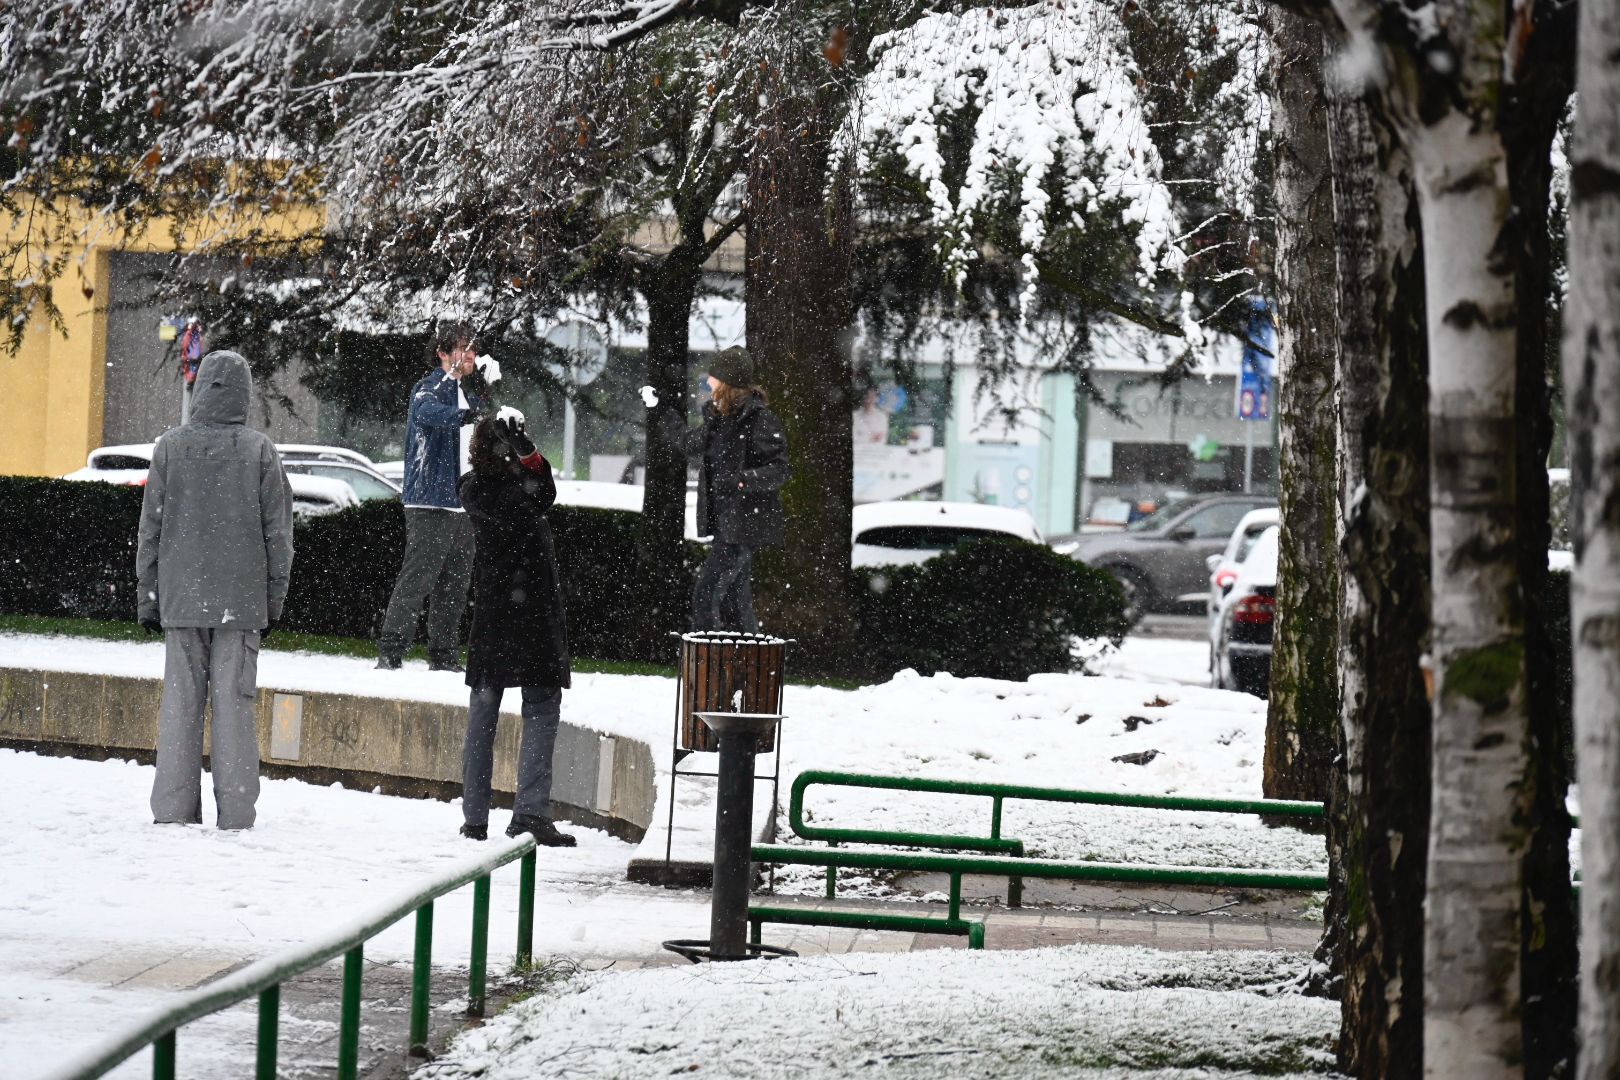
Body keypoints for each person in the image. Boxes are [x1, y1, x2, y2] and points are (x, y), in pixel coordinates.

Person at [136, 349, 294, 830]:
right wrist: (273, 599)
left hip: (181, 599)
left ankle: (173, 809)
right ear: (244, 394)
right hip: (240, 603)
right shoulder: (260, 450)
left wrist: (149, 596)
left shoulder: (168, 447)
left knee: (180, 706)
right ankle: (237, 812)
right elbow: (278, 535)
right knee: (234, 710)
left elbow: (151, 531)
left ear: (202, 388)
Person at [456, 412, 576, 846]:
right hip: (533, 618)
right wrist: (528, 452)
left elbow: (535, 490)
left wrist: (512, 453)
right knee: (542, 709)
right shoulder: (521, 494)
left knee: (483, 715)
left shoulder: (471, 489)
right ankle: (529, 812)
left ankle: (474, 816)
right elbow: (545, 492)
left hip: (492, 617)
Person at [376, 320, 493, 671]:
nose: (470, 354)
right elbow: (428, 414)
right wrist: (466, 414)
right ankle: (391, 651)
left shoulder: (469, 394)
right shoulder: (428, 388)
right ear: (443, 353)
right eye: (462, 348)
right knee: (418, 579)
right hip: (429, 501)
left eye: (473, 348)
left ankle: (443, 656)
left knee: (455, 586)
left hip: (463, 505)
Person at [690, 346, 790, 634]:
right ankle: (746, 671)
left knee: (706, 595)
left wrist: (743, 480)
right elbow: (688, 444)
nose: (709, 383)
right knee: (735, 601)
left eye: (714, 377)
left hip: (744, 526)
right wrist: (659, 410)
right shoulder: (719, 421)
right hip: (727, 525)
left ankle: (711, 666)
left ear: (728, 383)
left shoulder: (759, 419)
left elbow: (780, 469)